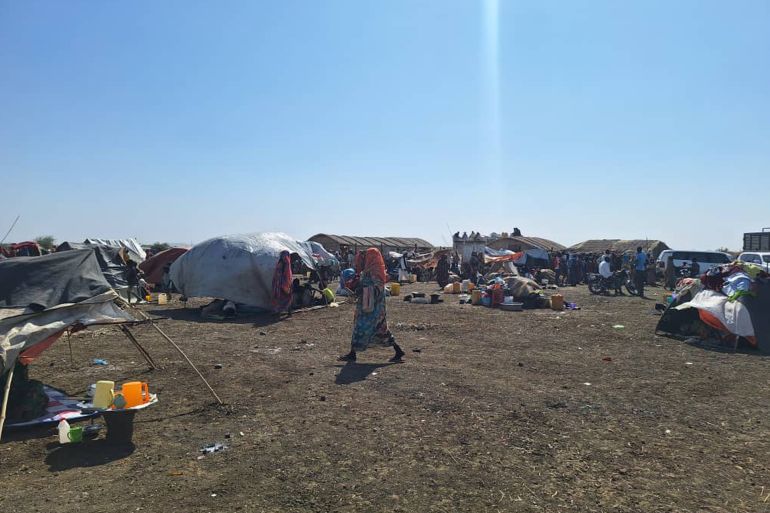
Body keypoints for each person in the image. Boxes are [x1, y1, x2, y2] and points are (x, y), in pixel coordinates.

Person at [338, 248, 405, 363]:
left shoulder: (375, 273)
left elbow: (376, 289)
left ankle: (353, 354)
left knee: (366, 327)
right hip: (369, 306)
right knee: (378, 329)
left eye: (366, 256)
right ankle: (398, 351)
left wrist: (362, 289)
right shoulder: (369, 271)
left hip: (372, 307)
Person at [271, 250, 293, 316]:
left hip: (281, 283)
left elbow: (286, 273)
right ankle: (283, 311)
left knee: (284, 297)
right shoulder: (285, 263)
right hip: (283, 283)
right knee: (284, 297)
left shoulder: (283, 263)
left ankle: (283, 311)